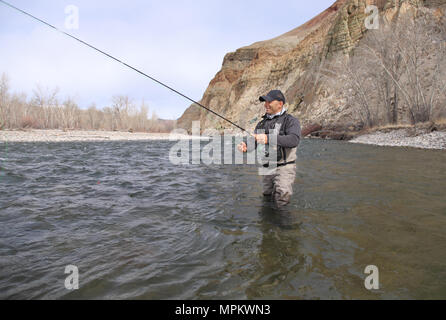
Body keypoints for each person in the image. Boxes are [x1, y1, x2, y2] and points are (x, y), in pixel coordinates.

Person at [238, 90, 302, 206]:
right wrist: (246, 146)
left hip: (284, 167)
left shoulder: (291, 121)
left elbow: (294, 140)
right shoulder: (261, 124)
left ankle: (282, 223)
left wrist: (268, 138)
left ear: (280, 104)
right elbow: (254, 142)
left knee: (281, 199)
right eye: (265, 102)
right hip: (267, 167)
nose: (266, 104)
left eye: (269, 101)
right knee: (266, 198)